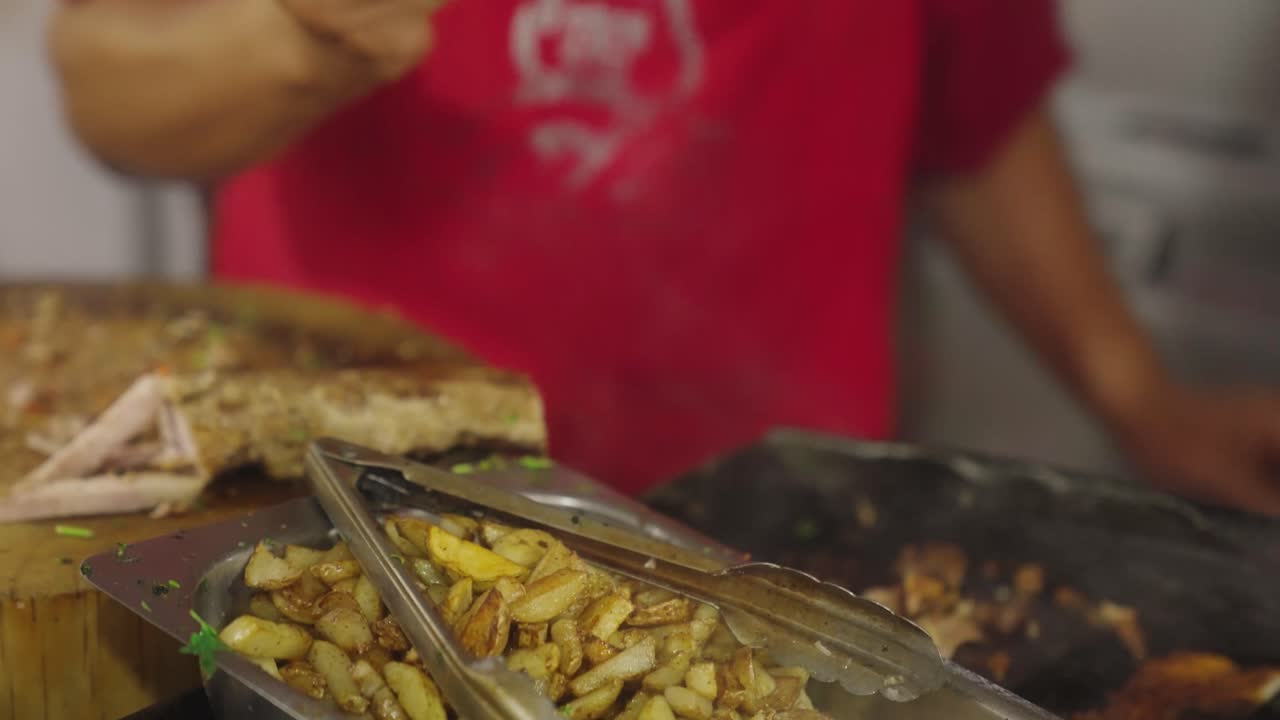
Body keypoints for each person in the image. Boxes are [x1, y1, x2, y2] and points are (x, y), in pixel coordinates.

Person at [47, 0, 1280, 513]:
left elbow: (974, 112)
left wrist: (1133, 393)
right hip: (343, 503)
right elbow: (111, 84)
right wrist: (304, 37)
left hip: (779, 526)